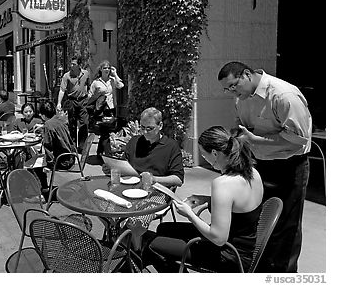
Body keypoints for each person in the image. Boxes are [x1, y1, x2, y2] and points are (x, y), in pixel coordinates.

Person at [217, 61, 311, 273]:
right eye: (227, 89)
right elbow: (242, 127)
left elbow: (299, 140)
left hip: (290, 165)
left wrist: (256, 140)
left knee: (286, 226)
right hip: (260, 164)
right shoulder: (241, 99)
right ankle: (261, 268)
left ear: (247, 75)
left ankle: (284, 274)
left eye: (233, 86)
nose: (232, 92)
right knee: (260, 220)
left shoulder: (283, 95)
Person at [146, 125, 264, 273]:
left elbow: (218, 238)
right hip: (245, 246)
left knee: (153, 245)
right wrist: (206, 199)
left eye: (203, 154)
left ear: (214, 153)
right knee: (164, 228)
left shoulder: (223, 184)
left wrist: (189, 214)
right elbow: (239, 206)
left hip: (230, 256)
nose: (203, 158)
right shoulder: (252, 172)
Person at [114, 107, 184, 248]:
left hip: (158, 191)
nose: (145, 132)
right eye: (142, 128)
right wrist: (113, 167)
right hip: (130, 189)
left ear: (160, 126)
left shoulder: (171, 146)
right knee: (103, 207)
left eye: (150, 128)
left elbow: (178, 179)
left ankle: (135, 253)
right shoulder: (134, 141)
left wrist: (155, 179)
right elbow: (124, 165)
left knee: (136, 220)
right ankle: (120, 242)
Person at [35, 99, 77, 196]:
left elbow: (48, 147)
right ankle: (44, 189)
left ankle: (43, 191)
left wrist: (48, 165)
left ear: (43, 115)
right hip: (71, 157)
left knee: (34, 163)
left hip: (62, 161)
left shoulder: (48, 125)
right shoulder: (60, 119)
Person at [87, 60, 124, 158]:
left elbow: (121, 85)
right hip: (101, 110)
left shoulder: (112, 80)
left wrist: (115, 74)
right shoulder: (96, 82)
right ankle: (105, 154)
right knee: (105, 132)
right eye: (105, 68)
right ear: (101, 70)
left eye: (108, 68)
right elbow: (90, 96)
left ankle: (101, 153)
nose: (107, 70)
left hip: (111, 108)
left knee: (107, 132)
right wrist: (97, 96)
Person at [56, 56, 91, 151]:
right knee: (72, 123)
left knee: (84, 123)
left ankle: (82, 146)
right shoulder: (67, 76)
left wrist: (88, 96)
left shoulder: (86, 73)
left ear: (79, 65)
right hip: (72, 100)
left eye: (74, 64)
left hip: (83, 100)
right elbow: (62, 90)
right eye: (71, 64)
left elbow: (89, 85)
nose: (71, 66)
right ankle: (73, 146)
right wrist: (59, 102)